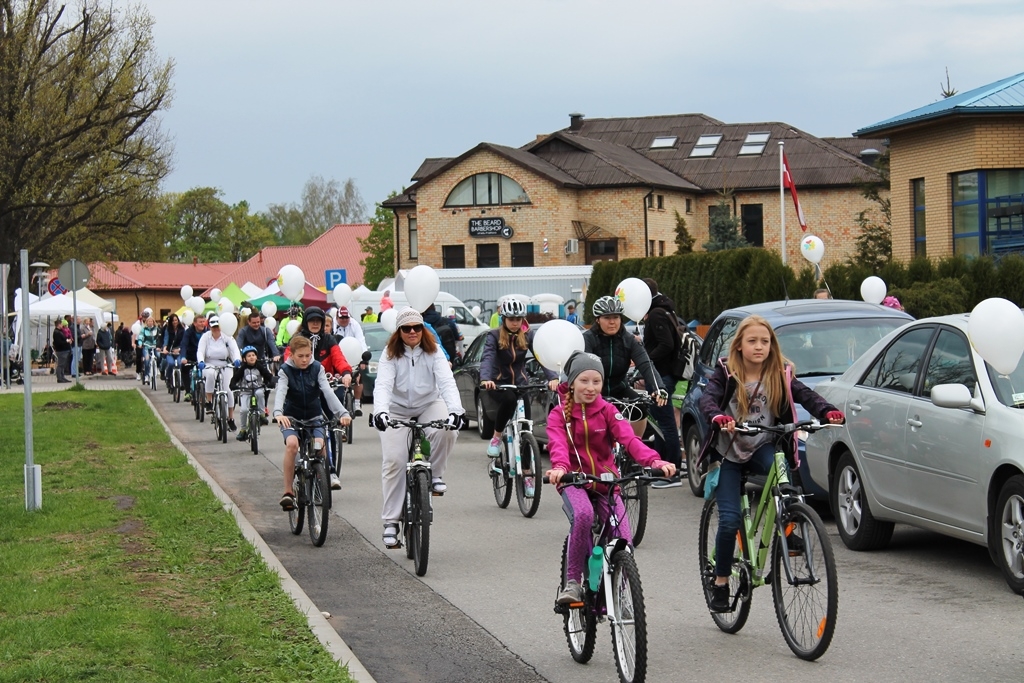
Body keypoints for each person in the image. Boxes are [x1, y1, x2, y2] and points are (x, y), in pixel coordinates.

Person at [697, 314, 844, 613]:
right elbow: (708, 400)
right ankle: (722, 582)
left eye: (765, 341)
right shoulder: (726, 372)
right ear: (739, 346)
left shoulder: (781, 372)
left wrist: (827, 411)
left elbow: (806, 396)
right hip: (729, 452)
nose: (759, 347)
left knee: (785, 478)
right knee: (729, 521)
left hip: (763, 444)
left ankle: (789, 528)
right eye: (752, 341)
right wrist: (719, 417)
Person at [545, 351, 676, 605]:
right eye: (584, 381)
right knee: (582, 515)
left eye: (597, 382)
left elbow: (630, 440)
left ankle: (620, 593)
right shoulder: (558, 414)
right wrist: (560, 467)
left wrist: (654, 460)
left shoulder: (608, 411)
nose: (591, 388)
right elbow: (557, 444)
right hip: (573, 480)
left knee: (623, 538)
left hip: (606, 482)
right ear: (571, 382)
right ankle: (573, 582)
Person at [371, 308, 466, 548]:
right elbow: (382, 385)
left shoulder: (433, 352)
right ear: (399, 331)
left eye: (416, 327)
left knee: (448, 429)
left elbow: (446, 382)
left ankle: (435, 474)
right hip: (396, 408)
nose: (412, 331)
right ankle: (391, 522)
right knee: (394, 460)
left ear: (422, 329)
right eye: (406, 328)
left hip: (428, 404)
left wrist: (456, 411)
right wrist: (380, 412)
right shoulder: (390, 354)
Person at [480, 299, 558, 494]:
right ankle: (497, 437)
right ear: (504, 319)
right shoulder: (494, 335)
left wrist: (553, 378)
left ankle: (527, 475)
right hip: (500, 383)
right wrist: (486, 378)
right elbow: (488, 357)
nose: (515, 322)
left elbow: (542, 357)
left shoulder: (528, 335)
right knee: (508, 400)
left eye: (518, 319)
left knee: (525, 428)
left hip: (521, 384)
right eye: (511, 319)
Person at [273, 335, 352, 511]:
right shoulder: (285, 370)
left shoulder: (317, 368)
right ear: (292, 355)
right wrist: (278, 413)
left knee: (320, 447)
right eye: (300, 356)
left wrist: (343, 413)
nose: (304, 359)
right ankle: (288, 492)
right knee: (292, 445)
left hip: (314, 417)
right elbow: (281, 393)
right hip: (291, 418)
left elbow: (327, 392)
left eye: (308, 355)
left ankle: (320, 481)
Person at [583, 296, 666, 438]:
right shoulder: (588, 339)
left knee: (640, 410)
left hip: (619, 388)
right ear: (597, 319)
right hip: (594, 391)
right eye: (607, 318)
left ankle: (634, 448)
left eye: (616, 317)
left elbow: (646, 364)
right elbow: (582, 368)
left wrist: (659, 387)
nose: (612, 322)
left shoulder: (628, 340)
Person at [640, 278, 684, 487]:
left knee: (666, 424)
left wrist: (646, 359)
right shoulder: (664, 310)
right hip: (662, 374)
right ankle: (660, 468)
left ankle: (671, 472)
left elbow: (666, 344)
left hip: (662, 375)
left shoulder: (657, 313)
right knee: (659, 424)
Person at [197, 315, 242, 431]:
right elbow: (200, 351)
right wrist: (201, 361)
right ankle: (209, 400)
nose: (216, 329)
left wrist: (237, 360)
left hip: (225, 364)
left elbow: (235, 349)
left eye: (218, 327)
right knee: (211, 375)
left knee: (228, 389)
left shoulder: (227, 337)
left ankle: (230, 418)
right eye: (213, 327)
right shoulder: (205, 337)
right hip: (209, 363)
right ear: (210, 327)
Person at [231, 345, 275, 443]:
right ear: (244, 359)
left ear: (256, 357)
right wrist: (233, 385)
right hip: (245, 391)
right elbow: (235, 378)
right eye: (249, 356)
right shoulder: (242, 369)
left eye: (253, 355)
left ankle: (262, 415)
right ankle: (243, 429)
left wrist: (270, 382)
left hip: (257, 388)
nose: (251, 357)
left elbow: (268, 375)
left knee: (260, 394)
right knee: (244, 410)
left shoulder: (259, 366)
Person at [334, 306, 366, 414]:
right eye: (341, 318)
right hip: (338, 356)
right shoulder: (333, 325)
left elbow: (361, 340)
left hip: (353, 355)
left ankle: (357, 403)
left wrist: (363, 360)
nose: (344, 320)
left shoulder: (354, 324)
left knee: (359, 377)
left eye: (346, 318)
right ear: (337, 318)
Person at [179, 313, 209, 401]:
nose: (202, 324)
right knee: (184, 369)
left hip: (203, 358)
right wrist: (183, 357)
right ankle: (188, 391)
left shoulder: (207, 332)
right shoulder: (188, 332)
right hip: (191, 356)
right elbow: (184, 345)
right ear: (195, 323)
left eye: (204, 322)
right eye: (200, 322)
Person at [160, 313, 184, 385]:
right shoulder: (168, 330)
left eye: (176, 320)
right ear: (170, 322)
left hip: (179, 350)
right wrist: (165, 349)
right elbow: (166, 339)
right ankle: (167, 377)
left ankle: (181, 381)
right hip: (169, 351)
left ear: (178, 321)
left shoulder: (182, 330)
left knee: (180, 364)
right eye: (173, 320)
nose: (174, 322)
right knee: (171, 363)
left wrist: (179, 349)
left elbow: (184, 341)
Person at [136, 316, 160, 383]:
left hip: (155, 346)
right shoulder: (144, 329)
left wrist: (159, 345)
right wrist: (140, 343)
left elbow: (159, 337)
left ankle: (158, 368)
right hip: (146, 346)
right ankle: (146, 375)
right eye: (149, 321)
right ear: (147, 322)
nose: (150, 322)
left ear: (153, 322)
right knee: (147, 360)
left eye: (151, 321)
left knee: (158, 355)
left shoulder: (157, 329)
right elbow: (140, 337)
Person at [52, 319, 72, 383]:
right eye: (61, 324)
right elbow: (58, 342)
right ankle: (59, 378)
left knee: (63, 365)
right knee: (60, 365)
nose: (62, 325)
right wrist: (66, 341)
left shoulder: (60, 331)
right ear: (58, 324)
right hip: (61, 350)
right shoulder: (57, 332)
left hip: (64, 350)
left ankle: (62, 377)